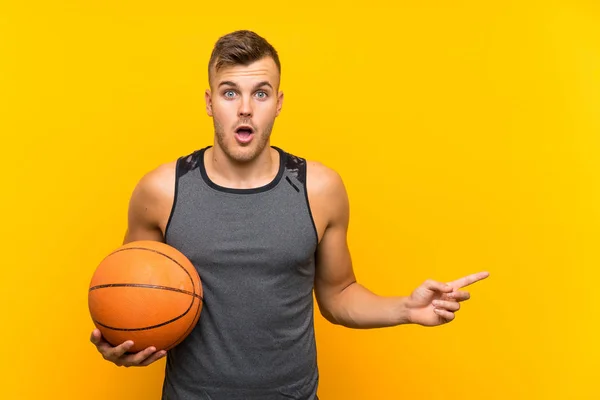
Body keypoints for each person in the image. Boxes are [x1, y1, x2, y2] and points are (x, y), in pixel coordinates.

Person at [90, 30, 489, 400]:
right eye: (230, 93)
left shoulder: (319, 189)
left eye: (260, 94)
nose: (245, 109)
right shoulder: (161, 191)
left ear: (278, 103)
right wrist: (120, 340)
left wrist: (406, 308)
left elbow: (338, 294)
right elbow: (132, 295)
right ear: (210, 102)